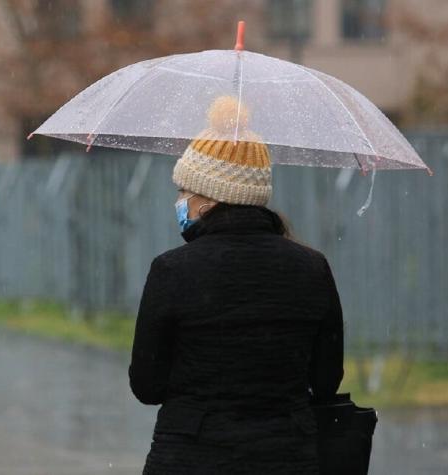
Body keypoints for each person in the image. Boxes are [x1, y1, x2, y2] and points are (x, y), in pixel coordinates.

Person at [128, 96, 344, 474]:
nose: (180, 202)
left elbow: (147, 386)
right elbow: (326, 382)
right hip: (287, 458)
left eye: (185, 191)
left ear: (209, 200)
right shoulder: (312, 268)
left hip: (189, 457)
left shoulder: (172, 271)